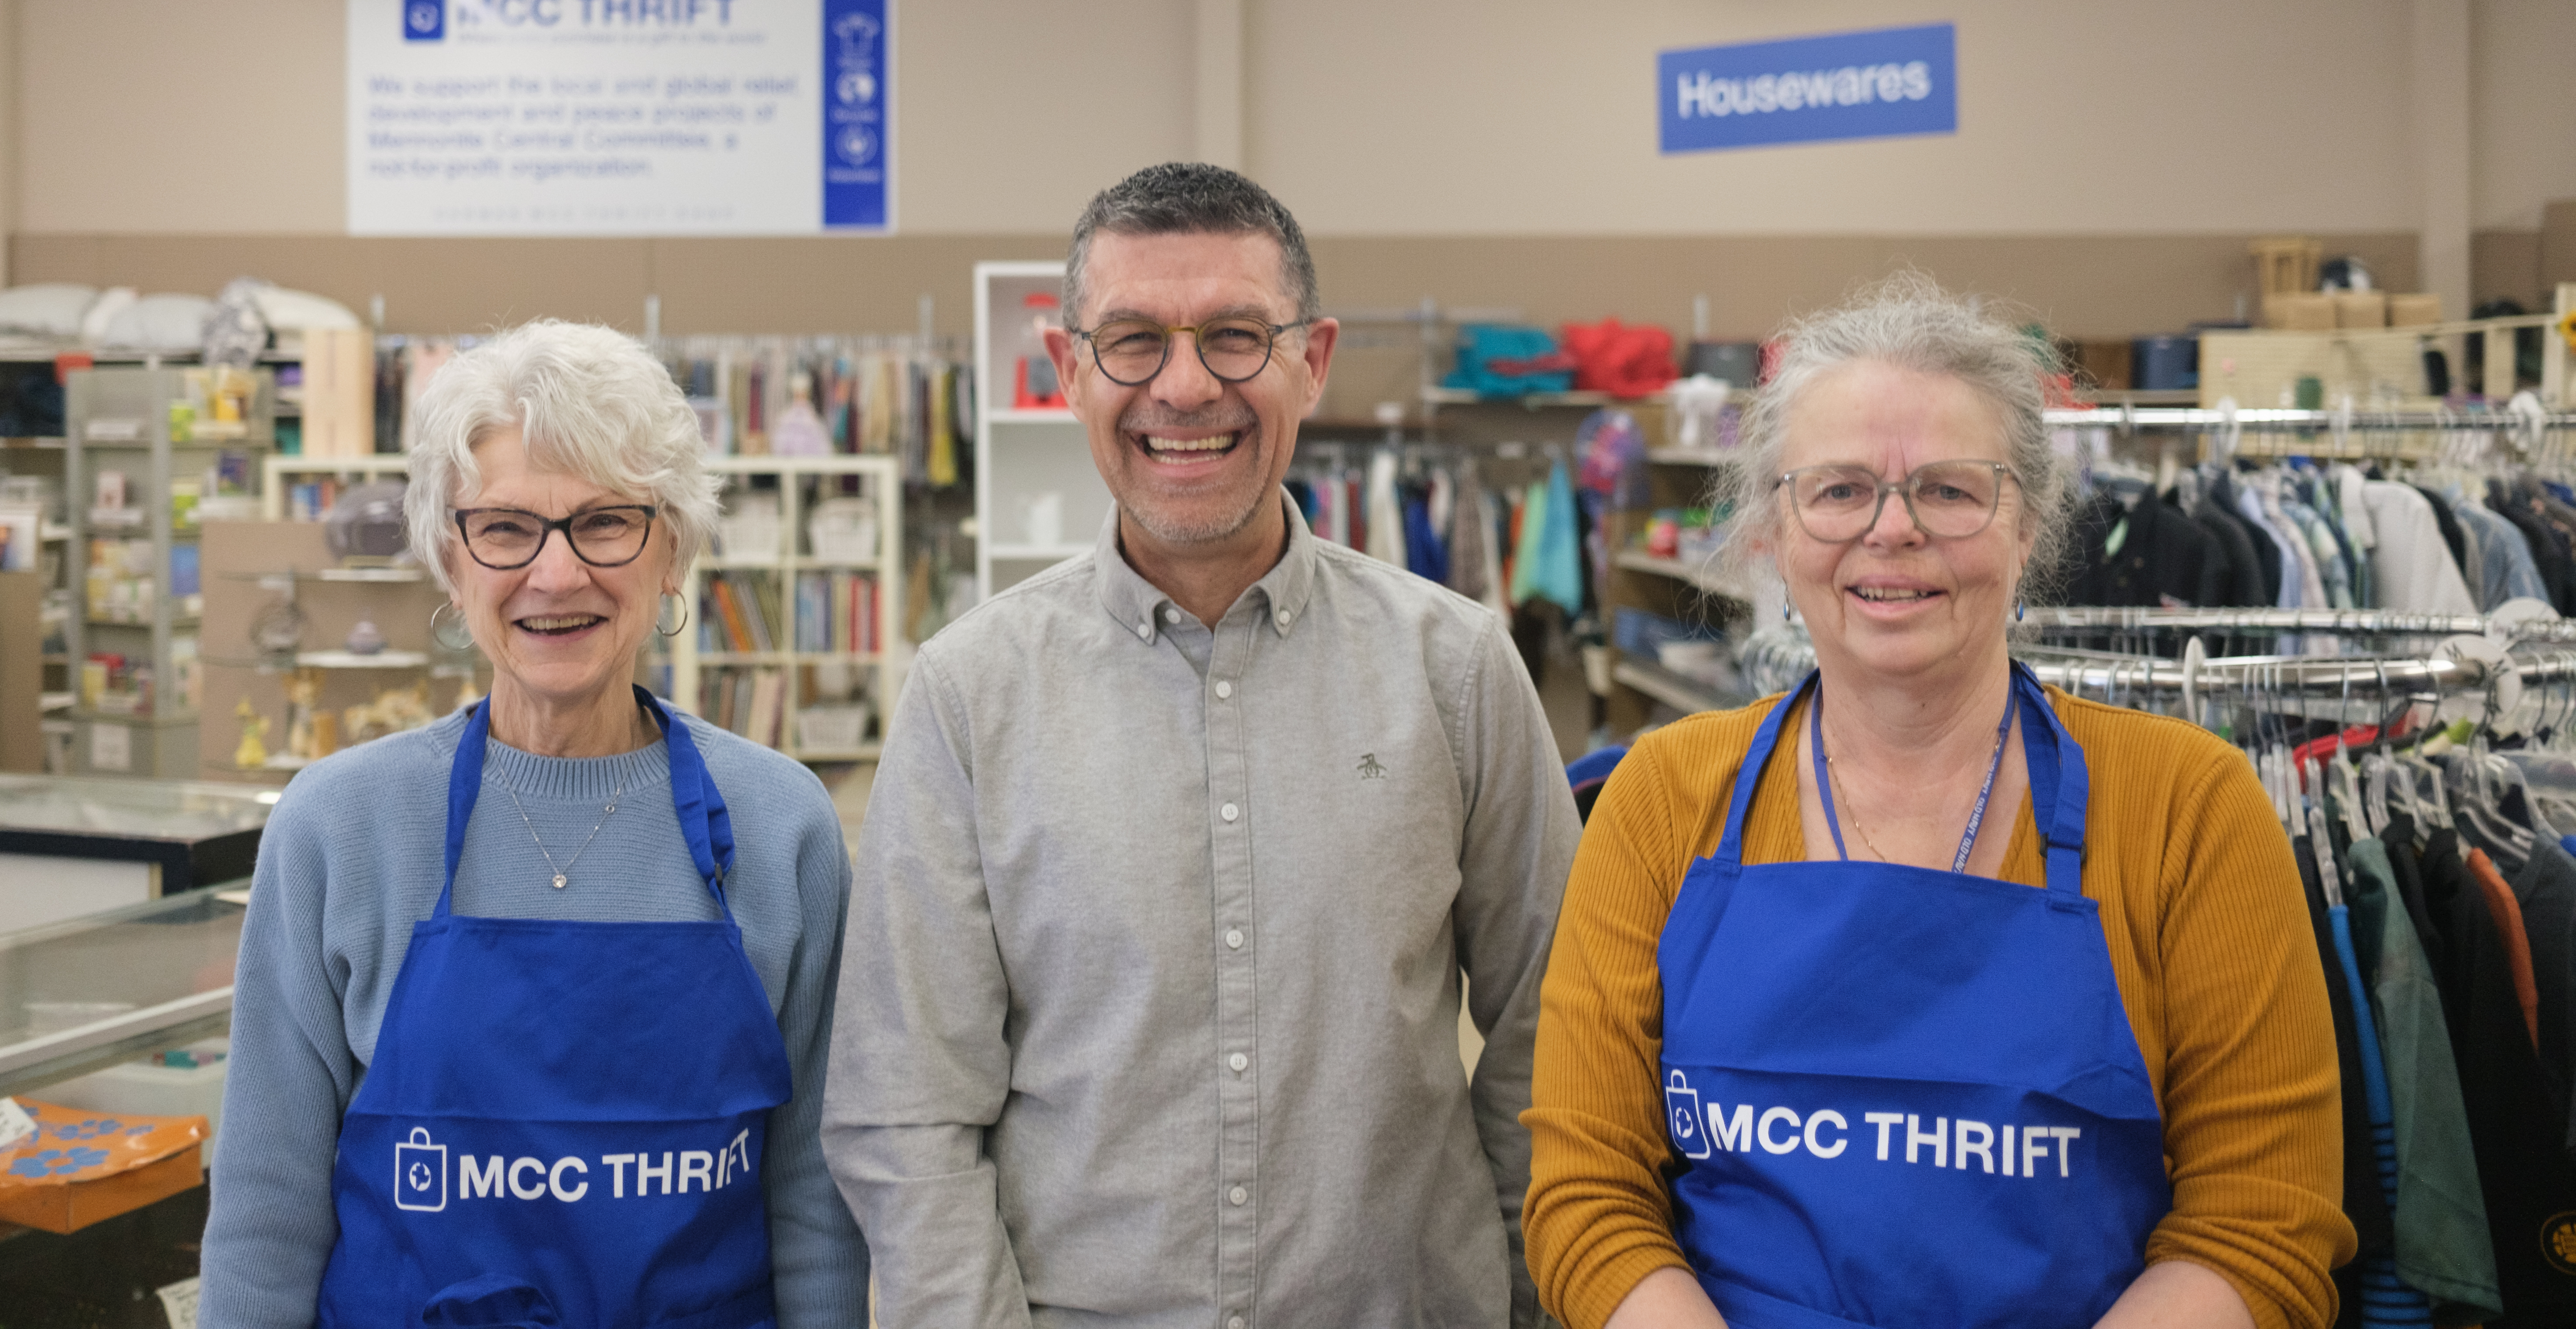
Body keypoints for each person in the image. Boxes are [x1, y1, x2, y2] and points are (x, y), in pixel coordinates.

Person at [824, 163, 1581, 1325]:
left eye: (1236, 336)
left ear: (1312, 359)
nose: (1183, 388)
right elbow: (907, 1103)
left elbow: (1558, 1045)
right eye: (1131, 340)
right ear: (1068, 365)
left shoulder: (1458, 669)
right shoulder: (971, 695)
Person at [1524, 276, 2354, 1329]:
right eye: (1838, 490)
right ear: (1771, 530)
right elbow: (1589, 1194)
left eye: (1951, 490)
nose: (1892, 531)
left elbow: (2261, 1222)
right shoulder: (1661, 798)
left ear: (2030, 526)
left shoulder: (2191, 808)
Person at [201, 320, 867, 1329]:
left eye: (605, 523)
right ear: (449, 558)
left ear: (673, 549)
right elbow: (265, 1212)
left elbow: (817, 1210)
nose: (556, 576)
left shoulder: (783, 829)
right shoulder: (341, 827)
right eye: (507, 528)